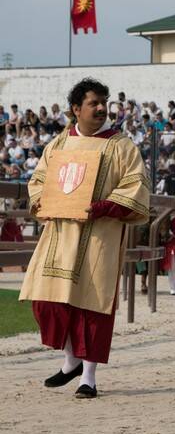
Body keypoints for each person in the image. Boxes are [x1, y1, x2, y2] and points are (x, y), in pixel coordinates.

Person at [19, 78, 150, 398]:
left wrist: (107, 206)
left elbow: (136, 184)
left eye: (105, 102)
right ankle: (70, 360)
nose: (102, 108)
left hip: (100, 234)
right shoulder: (59, 145)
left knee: (93, 305)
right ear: (76, 109)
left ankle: (87, 377)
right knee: (47, 300)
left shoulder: (121, 145)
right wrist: (44, 201)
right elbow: (38, 181)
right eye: (94, 103)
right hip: (61, 233)